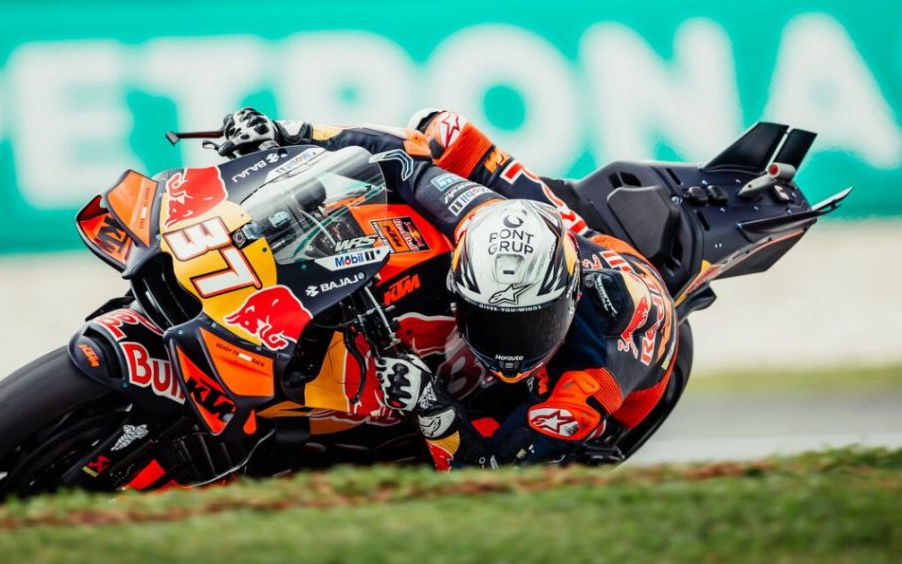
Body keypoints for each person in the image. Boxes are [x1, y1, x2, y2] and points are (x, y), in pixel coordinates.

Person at [216, 108, 678, 469]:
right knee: (444, 131)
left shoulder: (583, 384)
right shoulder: (477, 216)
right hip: (571, 242)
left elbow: (494, 480)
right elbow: (401, 159)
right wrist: (287, 132)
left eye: (529, 326)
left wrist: (431, 405)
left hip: (621, 385)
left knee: (452, 447)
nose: (508, 349)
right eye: (493, 322)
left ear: (569, 298)